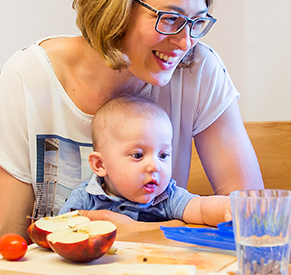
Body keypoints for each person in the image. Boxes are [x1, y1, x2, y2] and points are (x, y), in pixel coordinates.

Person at [0, 0, 263, 241]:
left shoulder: (199, 70)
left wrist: (139, 231)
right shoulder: (27, 78)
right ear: (116, 9)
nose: (185, 43)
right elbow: (9, 240)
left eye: (196, 22)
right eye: (170, 18)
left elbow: (254, 219)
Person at [59, 96, 231, 226]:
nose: (155, 166)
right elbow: (58, 229)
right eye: (138, 155)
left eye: (163, 155)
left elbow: (200, 208)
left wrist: (226, 207)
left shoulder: (167, 197)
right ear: (100, 165)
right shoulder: (86, 198)